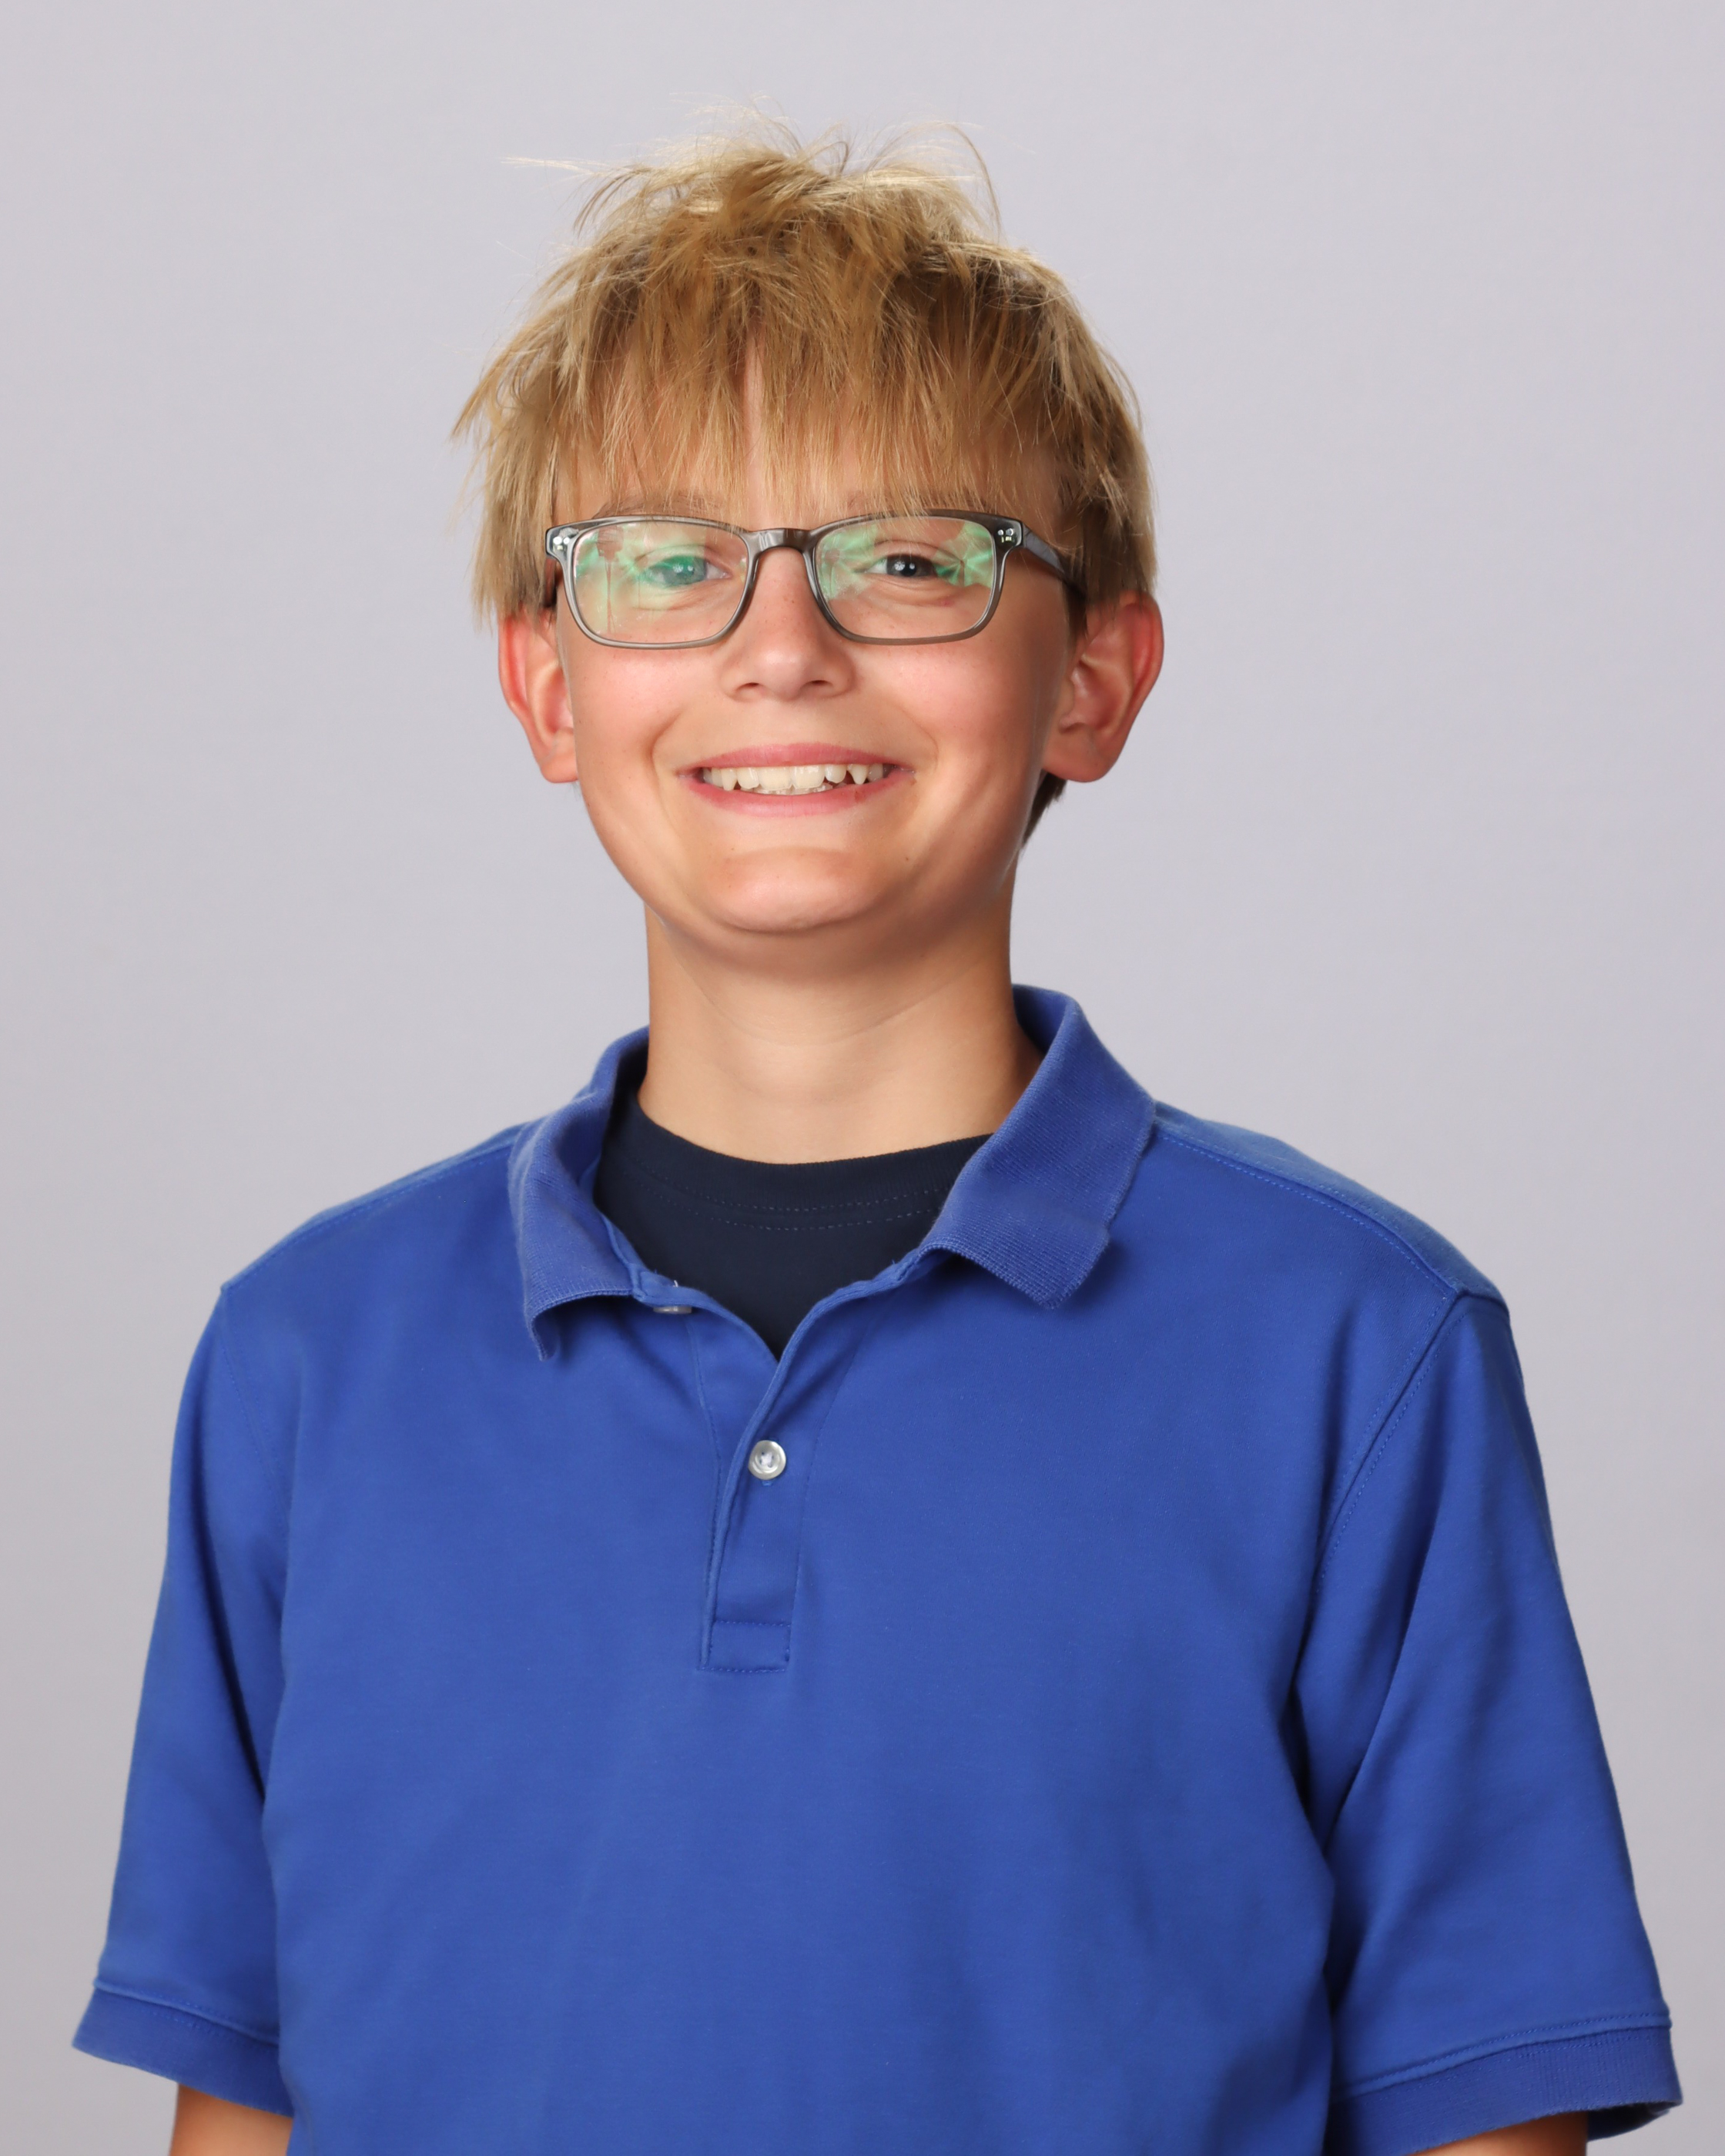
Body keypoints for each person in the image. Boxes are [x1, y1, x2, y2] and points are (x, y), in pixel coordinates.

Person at [74, 127, 1678, 2156]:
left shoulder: (1359, 1351)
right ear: (547, 686)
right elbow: (248, 2102)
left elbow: (1483, 2111)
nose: (782, 644)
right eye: (668, 560)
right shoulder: (309, 1359)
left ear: (1093, 680)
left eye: (908, 559)